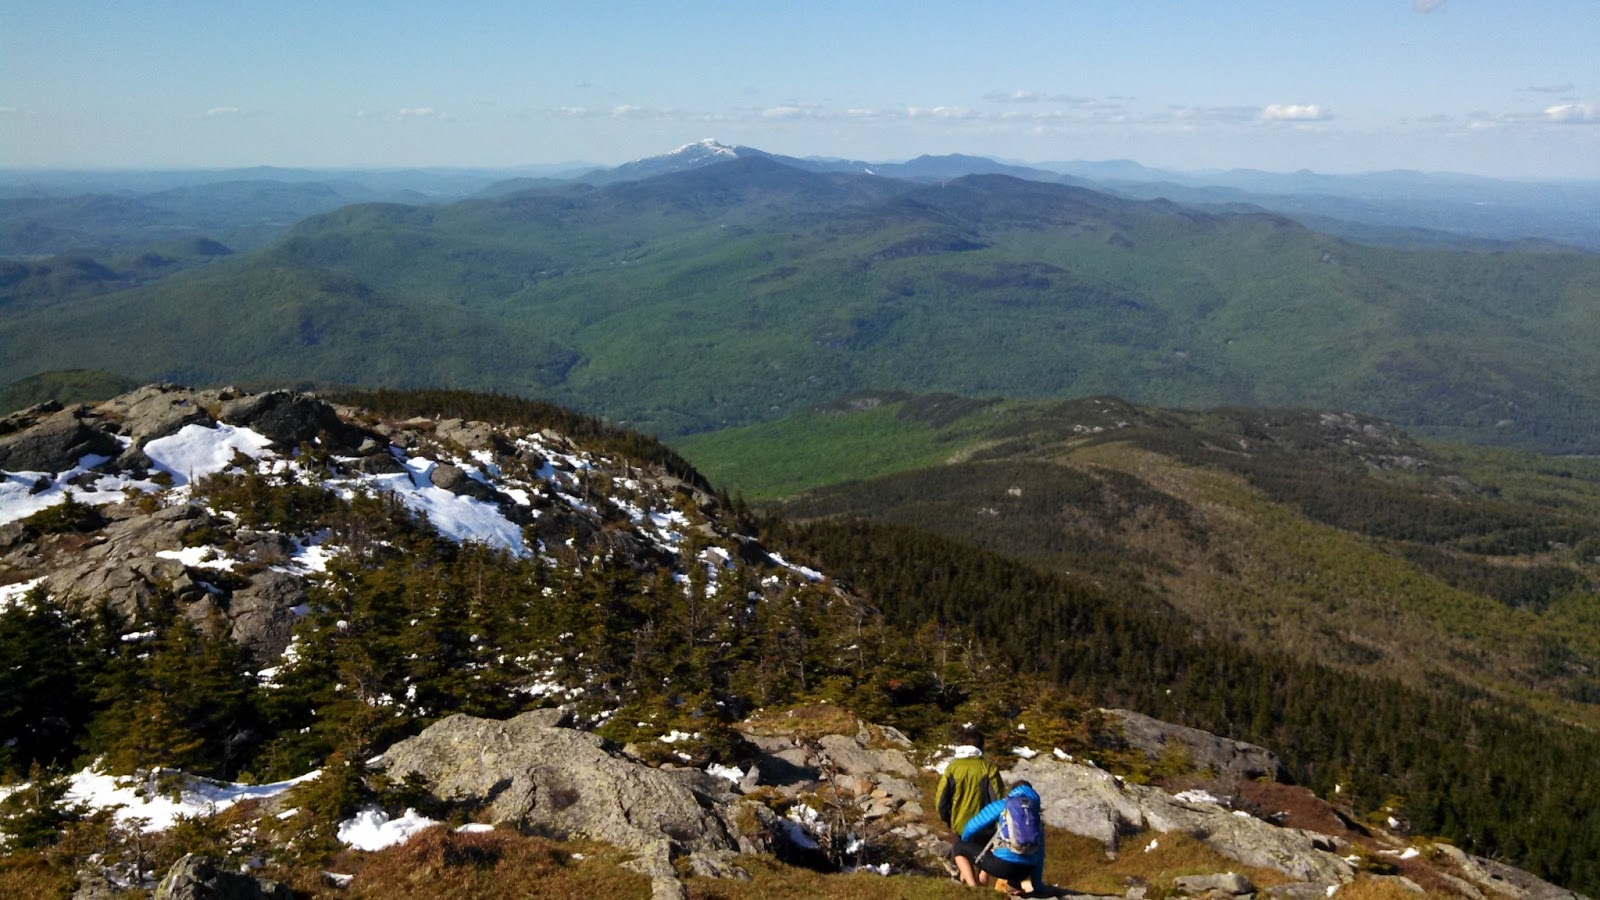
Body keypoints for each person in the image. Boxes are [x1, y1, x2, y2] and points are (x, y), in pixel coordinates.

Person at [935, 725, 1005, 886]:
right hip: (985, 826)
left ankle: (968, 889)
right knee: (984, 858)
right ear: (981, 746)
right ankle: (982, 882)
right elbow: (999, 800)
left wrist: (947, 819)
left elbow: (941, 800)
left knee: (961, 858)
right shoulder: (988, 769)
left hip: (959, 825)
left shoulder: (952, 768)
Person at [961, 780, 1046, 896]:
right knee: (1018, 853)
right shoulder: (1035, 814)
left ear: (1013, 791)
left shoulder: (1004, 804)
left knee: (958, 848)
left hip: (1002, 866)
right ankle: (1013, 888)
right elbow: (1039, 854)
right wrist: (1037, 886)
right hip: (1025, 870)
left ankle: (974, 890)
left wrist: (965, 843)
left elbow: (972, 826)